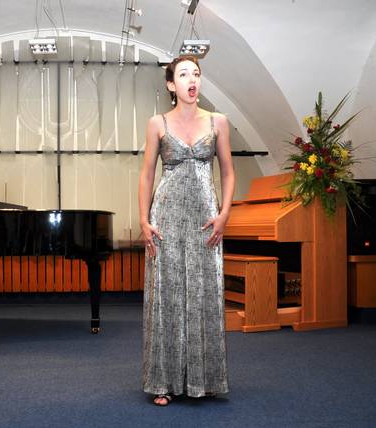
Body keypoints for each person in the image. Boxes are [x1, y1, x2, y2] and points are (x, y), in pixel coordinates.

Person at [138, 55, 235, 406]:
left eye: (196, 73)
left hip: (206, 220)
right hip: (165, 218)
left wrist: (224, 214)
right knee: (166, 296)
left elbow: (228, 172)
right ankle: (162, 382)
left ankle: (203, 380)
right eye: (183, 74)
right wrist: (144, 220)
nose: (192, 80)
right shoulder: (157, 123)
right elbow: (147, 175)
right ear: (170, 84)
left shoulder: (219, 121)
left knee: (205, 293)